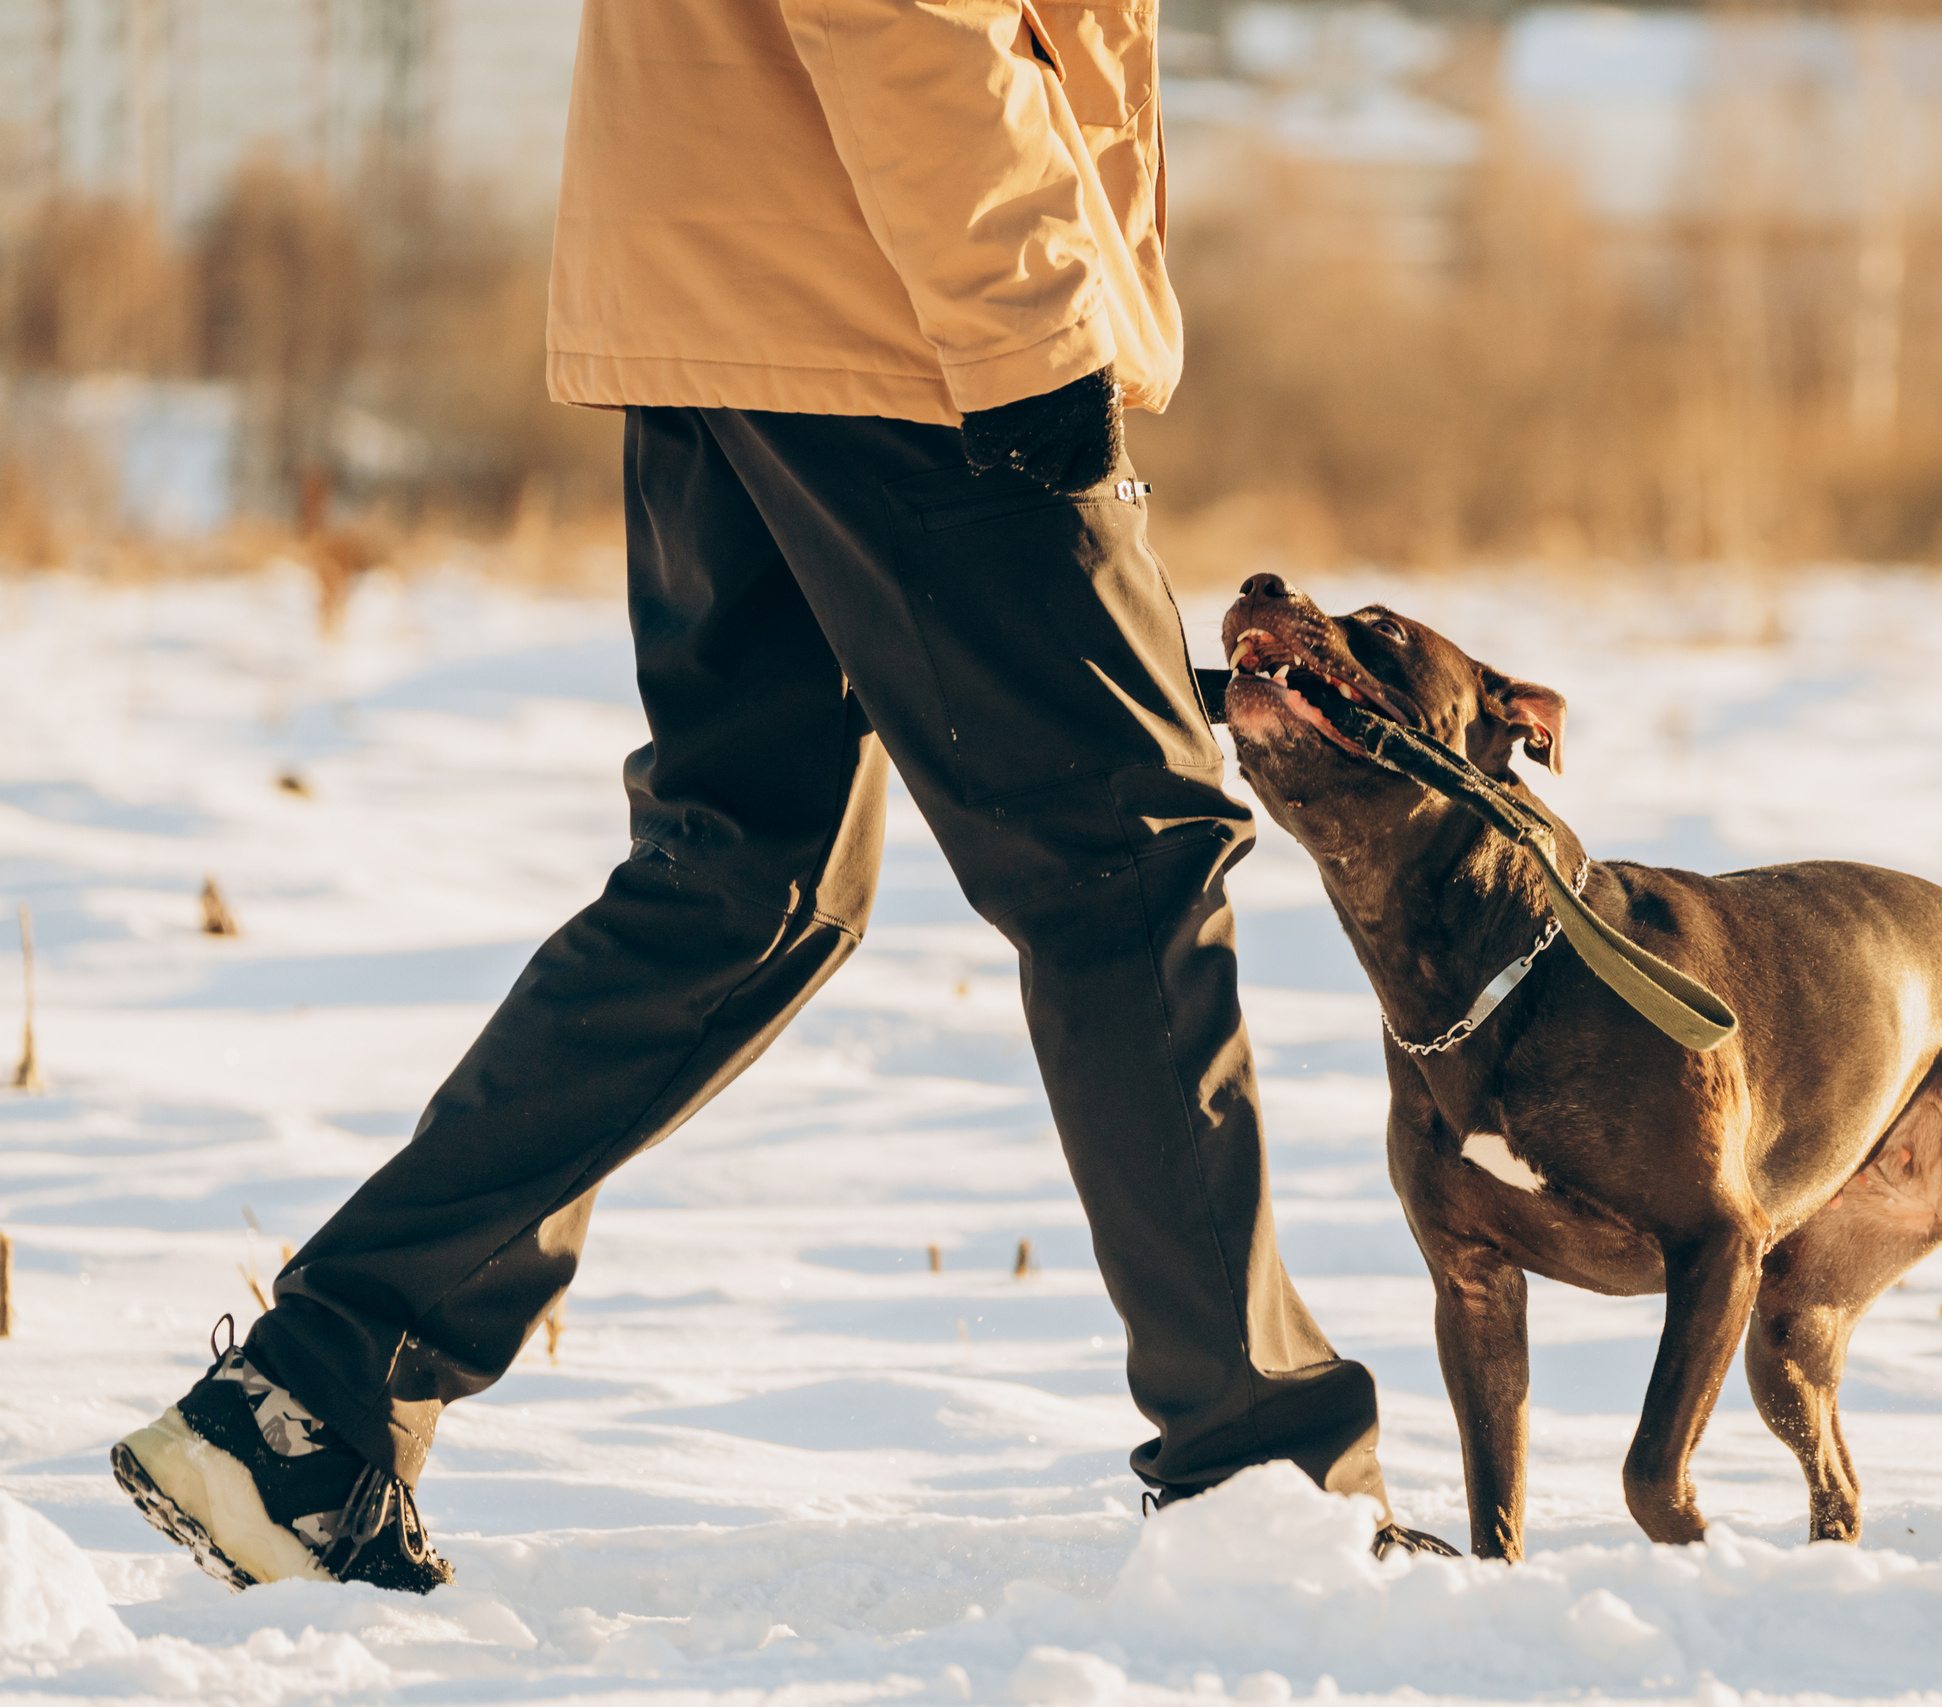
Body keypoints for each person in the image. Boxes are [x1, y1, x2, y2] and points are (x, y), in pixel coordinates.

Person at [111, 0, 1450, 1591]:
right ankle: (1262, 1484)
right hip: (897, 304)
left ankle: (313, 1396)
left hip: (737, 278)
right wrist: (1023, 322)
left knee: (740, 880)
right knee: (1125, 861)